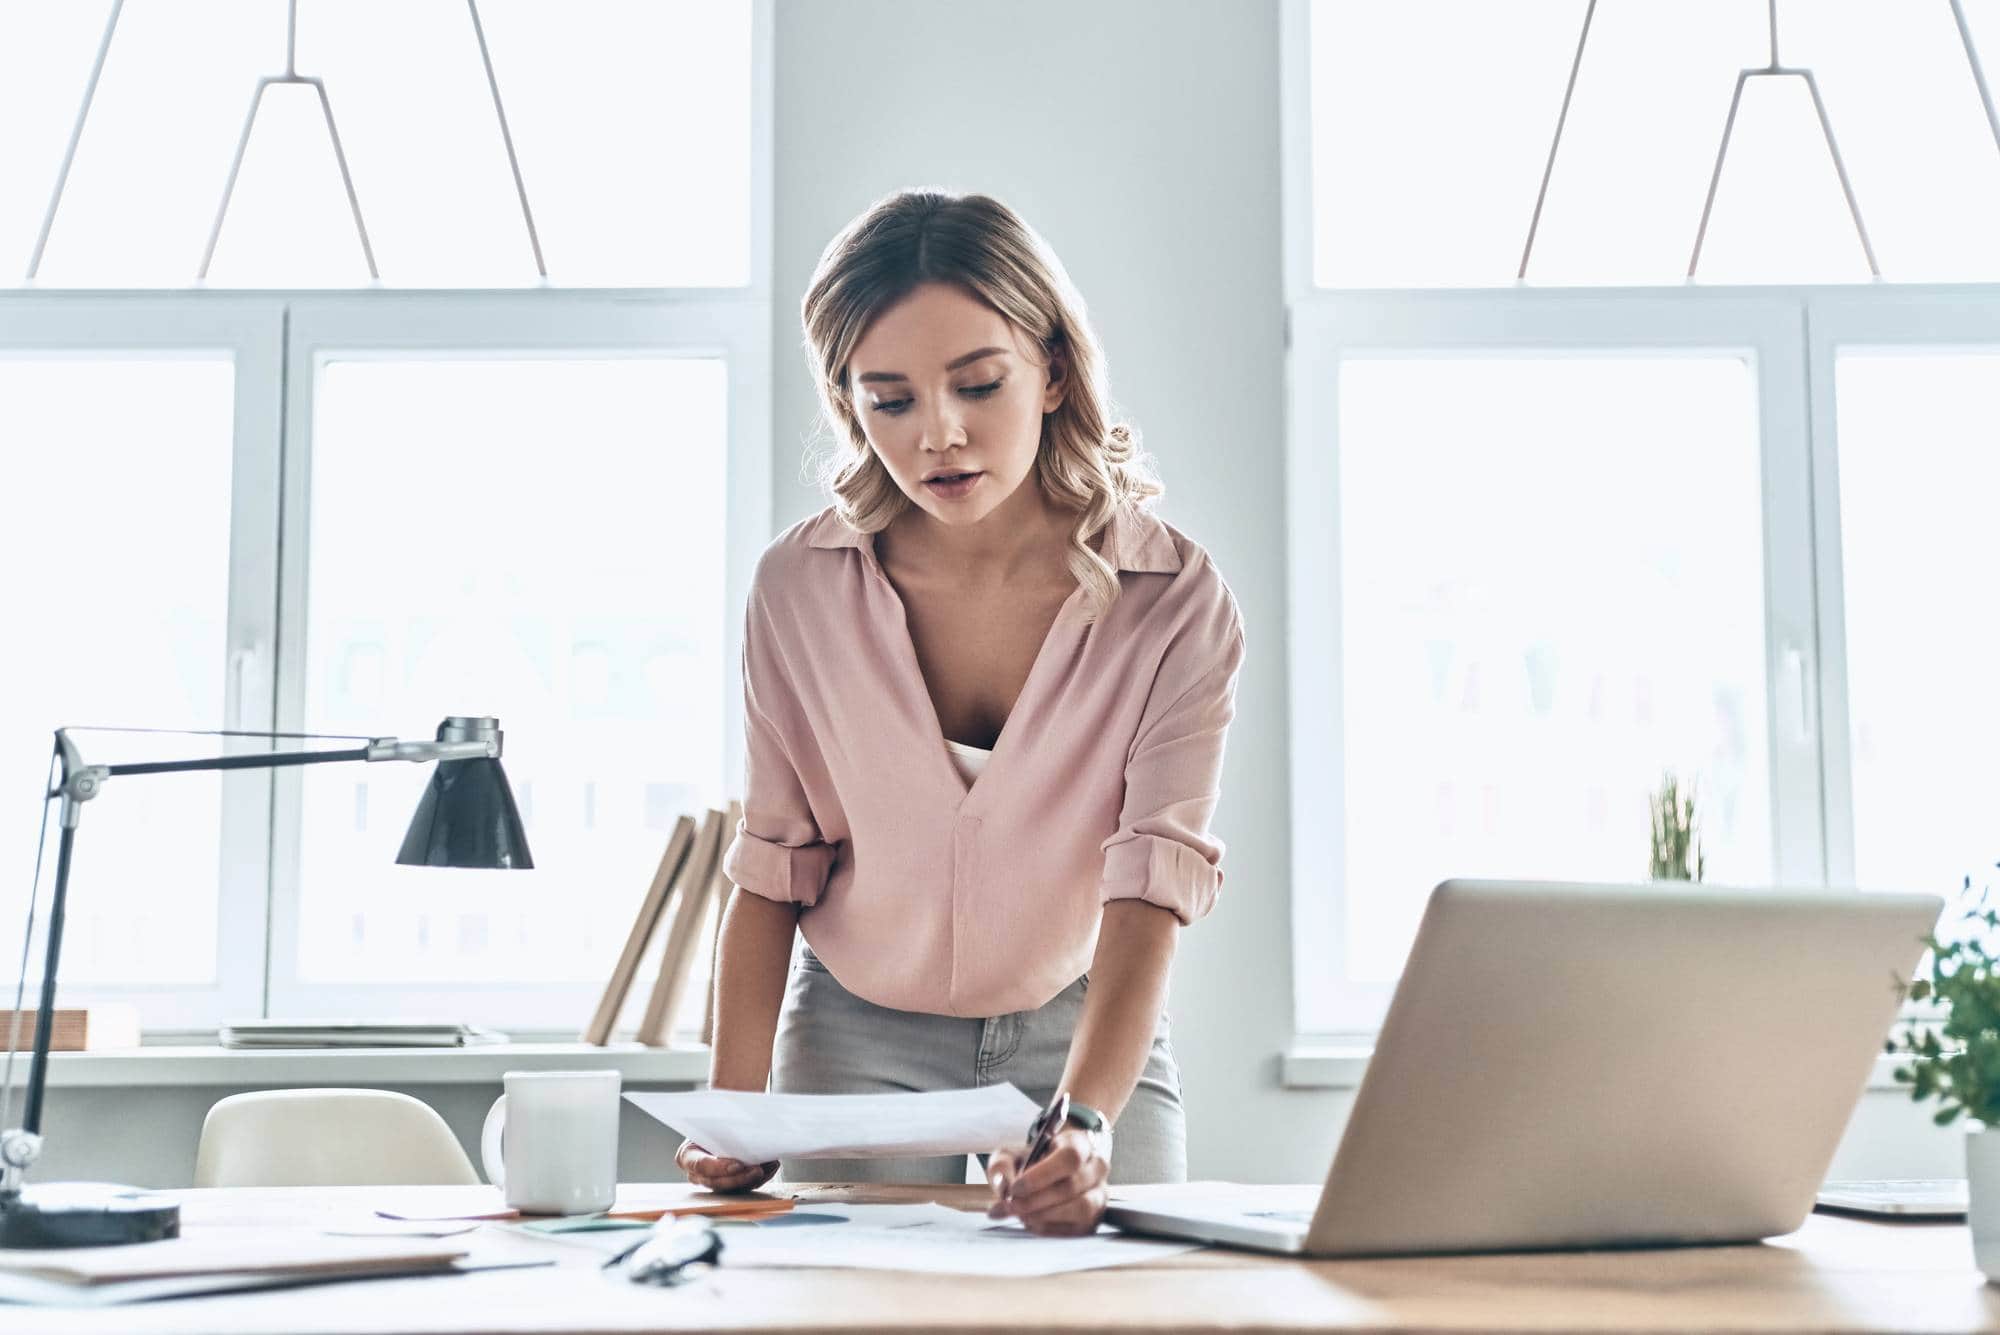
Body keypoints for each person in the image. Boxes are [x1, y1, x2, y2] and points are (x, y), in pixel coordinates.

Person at [674, 188, 1246, 1238]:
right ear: (849, 405)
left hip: (1081, 1038)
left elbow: (1150, 878)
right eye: (887, 400)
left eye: (977, 385)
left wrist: (1082, 1115)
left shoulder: (1171, 600)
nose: (937, 435)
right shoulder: (798, 590)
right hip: (852, 1043)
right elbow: (772, 869)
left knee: (1133, 1306)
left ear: (1054, 369)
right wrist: (736, 1113)